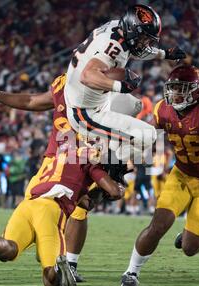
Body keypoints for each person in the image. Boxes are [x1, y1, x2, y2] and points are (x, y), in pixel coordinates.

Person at [0, 72, 140, 281]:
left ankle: (2, 246)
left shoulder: (67, 83)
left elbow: (31, 100)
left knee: (16, 244)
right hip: (79, 168)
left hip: (46, 174)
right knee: (74, 214)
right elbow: (127, 114)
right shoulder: (100, 99)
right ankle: (64, 264)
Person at [120, 65, 199, 286]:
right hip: (182, 175)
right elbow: (147, 138)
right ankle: (131, 272)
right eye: (173, 88)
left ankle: (187, 235)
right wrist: (125, 152)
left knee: (190, 248)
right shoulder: (163, 109)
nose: (175, 93)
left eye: (181, 88)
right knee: (158, 225)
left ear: (196, 91)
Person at [0, 138, 125, 286]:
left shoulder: (64, 155)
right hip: (51, 209)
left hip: (28, 204)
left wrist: (95, 193)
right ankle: (58, 269)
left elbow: (83, 201)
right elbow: (113, 190)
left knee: (10, 249)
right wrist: (118, 190)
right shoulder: (91, 161)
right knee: (50, 282)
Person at [64, 4, 185, 169]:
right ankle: (111, 166)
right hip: (85, 112)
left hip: (94, 97)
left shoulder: (118, 28)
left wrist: (165, 54)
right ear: (132, 29)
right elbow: (88, 76)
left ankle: (112, 147)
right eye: (144, 38)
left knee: (135, 105)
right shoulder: (113, 46)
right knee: (148, 136)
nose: (145, 43)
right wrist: (119, 86)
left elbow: (135, 49)